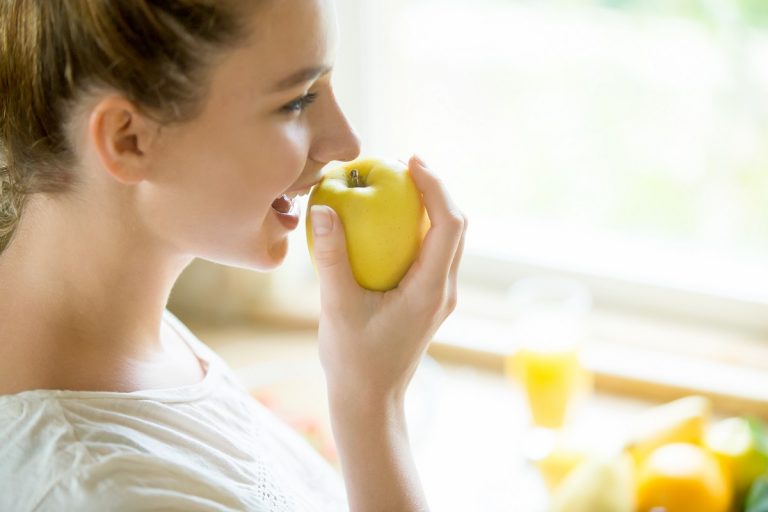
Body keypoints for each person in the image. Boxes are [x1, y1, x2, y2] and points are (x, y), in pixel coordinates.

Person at [0, 0, 467, 511]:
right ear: (129, 140)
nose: (346, 145)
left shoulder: (120, 328)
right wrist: (372, 403)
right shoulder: (103, 493)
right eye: (296, 101)